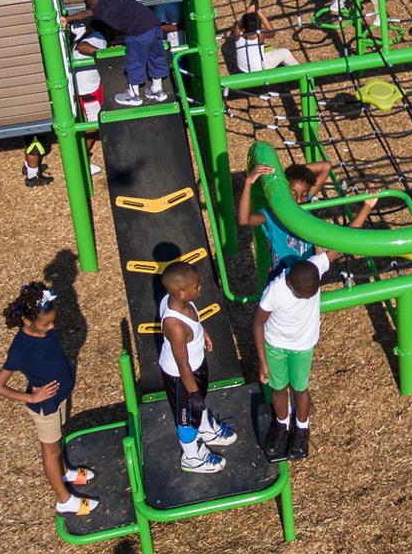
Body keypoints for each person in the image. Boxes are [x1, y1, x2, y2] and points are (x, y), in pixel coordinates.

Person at [0, 282, 97, 516]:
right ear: (27, 322)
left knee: (57, 445)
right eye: (46, 324)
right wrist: (31, 395)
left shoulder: (43, 331)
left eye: (52, 322)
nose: (51, 328)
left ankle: (65, 472)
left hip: (57, 399)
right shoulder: (20, 349)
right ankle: (64, 500)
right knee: (50, 452)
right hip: (44, 407)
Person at [252, 244, 359, 462]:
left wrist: (365, 209)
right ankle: (281, 423)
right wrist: (263, 362)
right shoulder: (275, 291)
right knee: (278, 387)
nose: (306, 300)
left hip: (302, 347)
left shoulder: (314, 266)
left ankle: (302, 428)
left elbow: (340, 245)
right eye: (303, 296)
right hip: (275, 345)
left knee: (300, 388)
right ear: (290, 284)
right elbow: (257, 324)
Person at [157, 262, 239, 474]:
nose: (200, 288)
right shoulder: (175, 326)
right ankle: (191, 456)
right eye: (197, 286)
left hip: (196, 367)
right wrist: (193, 393)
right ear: (182, 292)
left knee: (198, 406)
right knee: (186, 418)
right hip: (182, 378)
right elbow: (181, 364)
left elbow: (194, 325)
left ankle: (204, 429)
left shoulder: (180, 302)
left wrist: (203, 333)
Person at [237, 160, 374, 269]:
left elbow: (326, 166)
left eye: (303, 195)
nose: (298, 200)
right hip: (283, 274)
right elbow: (244, 220)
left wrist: (367, 207)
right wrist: (249, 182)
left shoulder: (305, 204)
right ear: (285, 190)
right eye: (293, 194)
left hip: (308, 273)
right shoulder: (273, 214)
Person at [68, 0, 168, 107]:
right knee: (156, 56)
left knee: (135, 62)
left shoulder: (100, 10)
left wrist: (67, 18)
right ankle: (157, 90)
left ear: (91, 3)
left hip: (138, 34)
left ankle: (133, 95)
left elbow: (84, 14)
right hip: (153, 25)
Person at [24, 26, 107, 187]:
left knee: (34, 138)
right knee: (36, 141)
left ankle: (30, 169)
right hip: (83, 89)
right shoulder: (95, 37)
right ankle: (33, 176)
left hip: (47, 95)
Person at [230, 0, 301, 79]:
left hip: (243, 69)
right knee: (285, 52)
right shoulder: (260, 35)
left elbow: (243, 20)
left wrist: (253, 4)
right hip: (258, 70)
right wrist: (260, 14)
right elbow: (272, 32)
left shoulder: (237, 34)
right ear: (258, 27)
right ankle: (301, 73)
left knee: (267, 48)